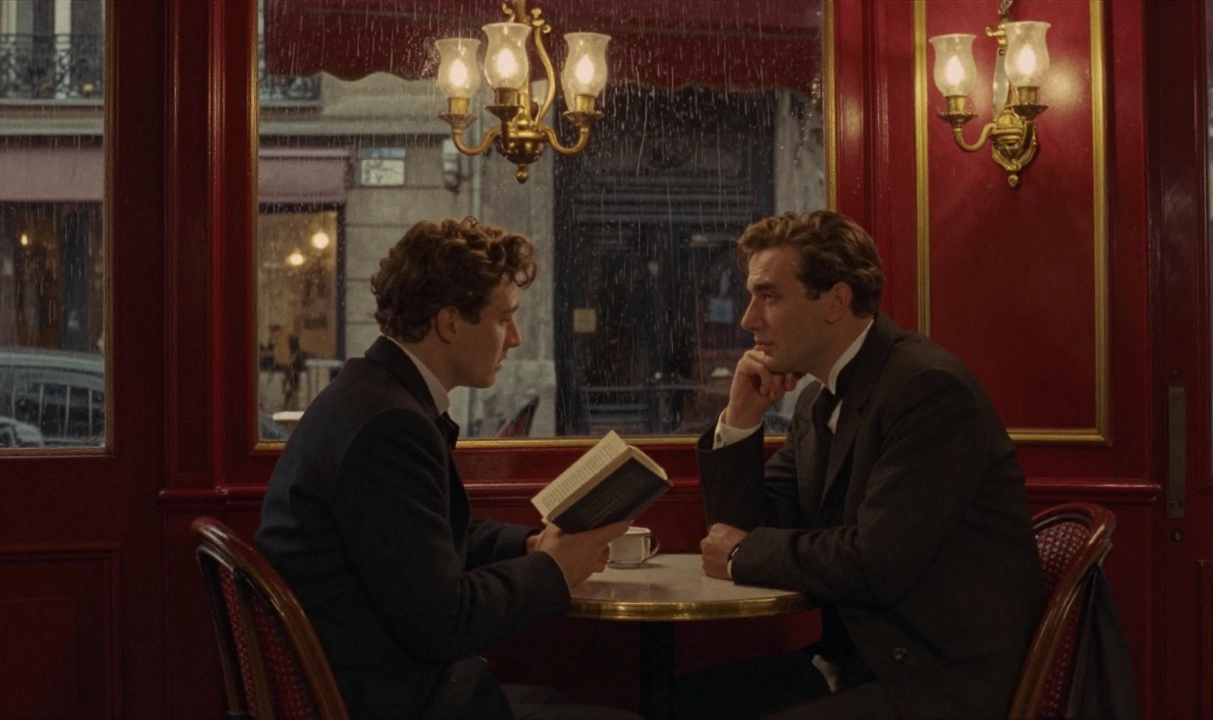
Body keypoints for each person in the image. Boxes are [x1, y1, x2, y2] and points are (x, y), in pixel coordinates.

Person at [256, 217, 634, 720]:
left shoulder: (371, 394)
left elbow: (416, 540)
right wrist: (555, 570)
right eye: (504, 319)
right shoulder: (390, 423)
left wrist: (528, 545)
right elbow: (445, 621)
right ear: (450, 323)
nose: (516, 338)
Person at [678, 210, 1045, 719]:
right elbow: (738, 528)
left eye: (770, 296)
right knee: (676, 701)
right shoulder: (816, 400)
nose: (748, 319)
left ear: (835, 301)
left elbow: (876, 562)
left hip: (932, 682)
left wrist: (742, 555)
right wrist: (740, 418)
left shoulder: (926, 389)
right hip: (859, 662)